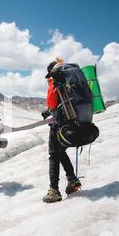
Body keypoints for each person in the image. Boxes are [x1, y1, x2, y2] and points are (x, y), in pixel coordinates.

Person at [41, 58, 82, 203]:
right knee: (61, 152)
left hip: (59, 125)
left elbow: (53, 102)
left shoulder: (56, 80)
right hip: (72, 123)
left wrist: (48, 111)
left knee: (53, 155)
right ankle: (72, 179)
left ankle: (54, 191)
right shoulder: (72, 80)